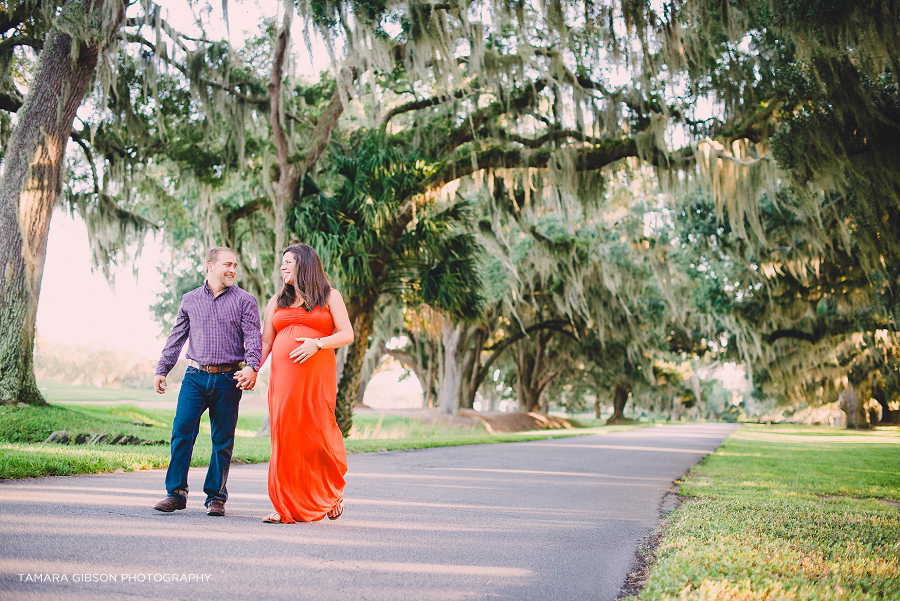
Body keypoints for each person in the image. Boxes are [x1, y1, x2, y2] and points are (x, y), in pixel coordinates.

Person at [245, 243, 353, 523]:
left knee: (316, 434)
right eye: (282, 262)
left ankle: (330, 493)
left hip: (316, 375)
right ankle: (284, 506)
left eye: (288, 261)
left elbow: (346, 334)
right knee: (286, 435)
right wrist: (253, 368)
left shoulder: (330, 296)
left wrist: (317, 343)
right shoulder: (276, 301)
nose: (282, 267)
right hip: (283, 379)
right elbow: (266, 341)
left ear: (304, 264)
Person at [152, 247, 262, 517]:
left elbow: (253, 338)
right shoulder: (189, 300)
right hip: (195, 377)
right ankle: (175, 493)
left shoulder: (245, 300)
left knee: (222, 440)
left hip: (228, 378)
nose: (232, 270)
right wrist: (162, 369)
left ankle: (216, 497)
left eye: (235, 265)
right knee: (181, 433)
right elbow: (176, 337)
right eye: (227, 264)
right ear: (209, 266)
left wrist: (252, 366)